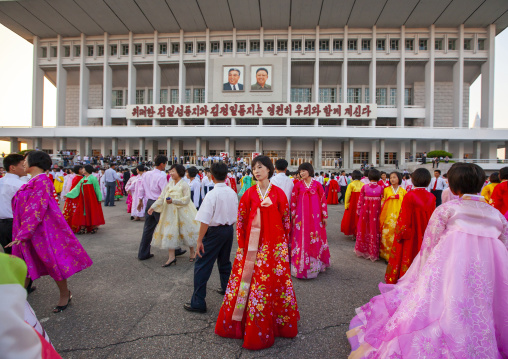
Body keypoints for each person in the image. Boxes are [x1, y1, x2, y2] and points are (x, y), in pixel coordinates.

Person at [348, 163, 508, 358]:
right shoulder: (496, 215)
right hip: (488, 273)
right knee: (481, 310)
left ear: (453, 185)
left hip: (451, 268)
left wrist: (421, 274)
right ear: (481, 184)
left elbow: (429, 244)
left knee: (445, 305)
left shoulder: (448, 209)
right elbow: (505, 246)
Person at [215, 156, 299, 350]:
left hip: (274, 246)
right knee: (249, 282)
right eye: (254, 168)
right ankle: (247, 325)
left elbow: (286, 220)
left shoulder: (278, 193)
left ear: (269, 169)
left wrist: (282, 246)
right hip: (252, 247)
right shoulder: (249, 193)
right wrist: (242, 245)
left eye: (260, 167)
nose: (256, 171)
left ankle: (277, 323)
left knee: (271, 283)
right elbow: (242, 219)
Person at [6, 151, 93, 313]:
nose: (23, 163)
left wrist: (24, 233)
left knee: (53, 263)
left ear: (34, 163)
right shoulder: (31, 181)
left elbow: (36, 208)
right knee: (24, 264)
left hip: (42, 231)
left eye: (25, 160)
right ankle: (17, 301)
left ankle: (64, 294)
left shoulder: (43, 181)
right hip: (29, 229)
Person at [184, 163, 238, 313]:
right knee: (225, 262)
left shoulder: (212, 194)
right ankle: (229, 291)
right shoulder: (232, 192)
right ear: (227, 176)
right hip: (228, 230)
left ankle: (198, 301)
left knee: (202, 264)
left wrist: (199, 240)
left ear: (211, 176)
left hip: (214, 231)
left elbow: (205, 220)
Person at [385, 168, 435, 284]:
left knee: (408, 255)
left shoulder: (409, 195)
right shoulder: (431, 197)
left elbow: (404, 217)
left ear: (412, 180)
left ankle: (405, 279)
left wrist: (400, 234)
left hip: (410, 233)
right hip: (425, 232)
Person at [149, 164, 198, 266]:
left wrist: (174, 200)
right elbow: (162, 197)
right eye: (170, 171)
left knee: (187, 230)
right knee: (170, 232)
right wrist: (153, 207)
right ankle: (171, 257)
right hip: (170, 213)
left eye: (173, 171)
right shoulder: (169, 184)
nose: (170, 173)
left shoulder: (184, 184)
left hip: (183, 211)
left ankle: (192, 252)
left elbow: (187, 199)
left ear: (179, 172)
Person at [290, 162, 330, 279]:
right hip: (301, 217)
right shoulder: (297, 185)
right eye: (300, 171)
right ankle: (300, 265)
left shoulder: (317, 185)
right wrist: (293, 216)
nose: (301, 173)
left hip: (315, 217)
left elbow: (323, 200)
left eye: (304, 171)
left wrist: (324, 216)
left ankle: (315, 264)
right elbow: (293, 201)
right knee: (301, 238)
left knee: (315, 237)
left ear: (309, 171)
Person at [65, 165, 105, 235]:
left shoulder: (93, 178)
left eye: (83, 169)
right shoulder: (83, 179)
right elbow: (76, 188)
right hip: (83, 199)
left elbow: (97, 189)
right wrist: (68, 194)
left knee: (91, 211)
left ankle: (93, 226)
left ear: (87, 170)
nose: (82, 170)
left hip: (91, 199)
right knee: (82, 212)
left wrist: (99, 198)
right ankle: (83, 227)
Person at [354, 169, 384, 261]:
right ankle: (374, 251)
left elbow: (360, 200)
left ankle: (364, 249)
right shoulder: (381, 188)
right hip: (376, 212)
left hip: (365, 211)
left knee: (365, 228)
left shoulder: (365, 187)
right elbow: (383, 202)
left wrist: (358, 210)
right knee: (374, 228)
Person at [0, 154, 26, 254]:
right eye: (23, 165)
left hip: (2, 225)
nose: (25, 168)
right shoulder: (21, 185)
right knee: (19, 255)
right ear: (12, 167)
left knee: (8, 253)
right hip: (14, 224)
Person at [378, 172, 406, 262]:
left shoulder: (403, 191)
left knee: (396, 236)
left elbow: (405, 205)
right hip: (388, 216)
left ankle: (396, 255)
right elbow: (382, 202)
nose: (392, 179)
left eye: (394, 177)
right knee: (387, 235)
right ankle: (386, 255)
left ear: (399, 179)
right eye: (390, 178)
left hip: (398, 216)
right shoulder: (386, 190)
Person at [341, 170, 364, 237]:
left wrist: (346, 205)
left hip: (353, 203)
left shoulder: (351, 184)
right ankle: (359, 232)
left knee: (352, 218)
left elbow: (347, 196)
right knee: (359, 218)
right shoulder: (363, 184)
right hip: (361, 203)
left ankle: (353, 233)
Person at [62, 166, 84, 232]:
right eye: (81, 169)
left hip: (75, 196)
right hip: (77, 197)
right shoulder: (79, 178)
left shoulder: (77, 177)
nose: (82, 170)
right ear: (78, 170)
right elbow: (75, 189)